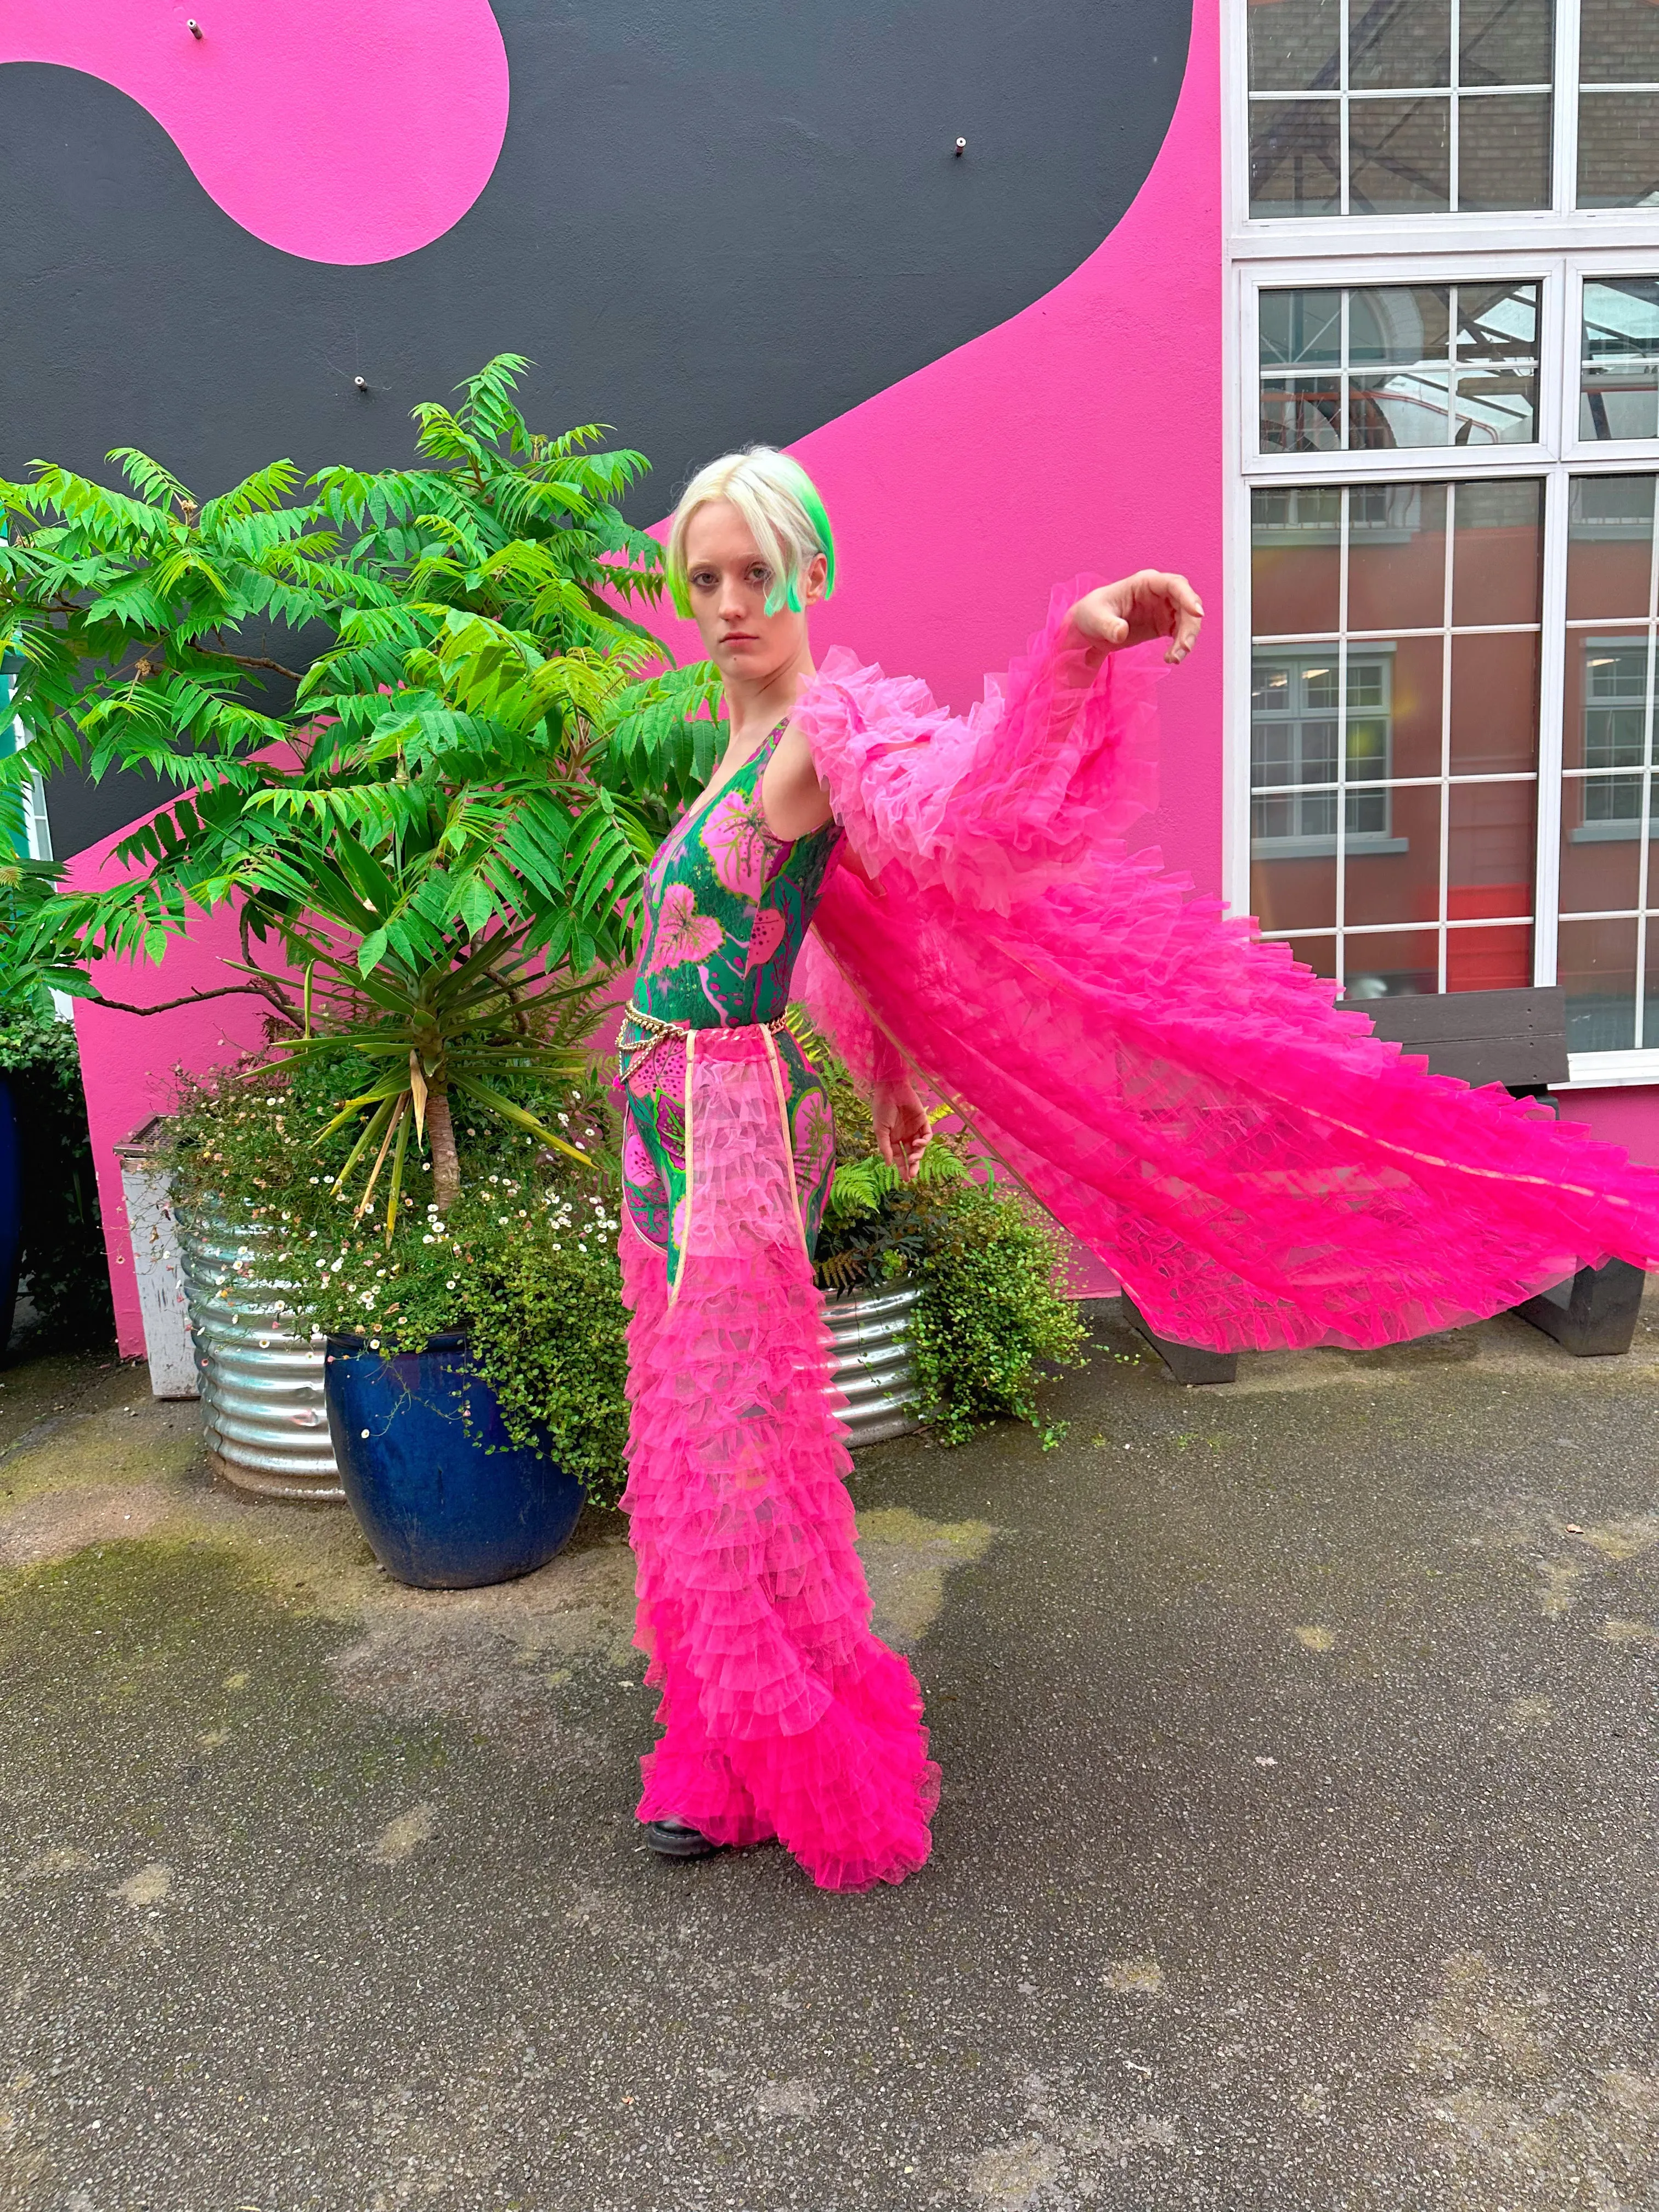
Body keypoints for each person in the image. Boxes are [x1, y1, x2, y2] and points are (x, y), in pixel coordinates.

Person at [616, 447, 1659, 1892]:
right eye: (708, 577)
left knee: (735, 1442)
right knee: (685, 1434)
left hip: (721, 1131)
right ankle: (721, 1746)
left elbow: (960, 817)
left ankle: (803, 1763)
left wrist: (1071, 654)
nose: (732, 602)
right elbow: (831, 931)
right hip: (665, 1133)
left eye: (758, 574)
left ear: (812, 576)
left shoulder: (820, 736)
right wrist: (891, 1083)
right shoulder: (728, 748)